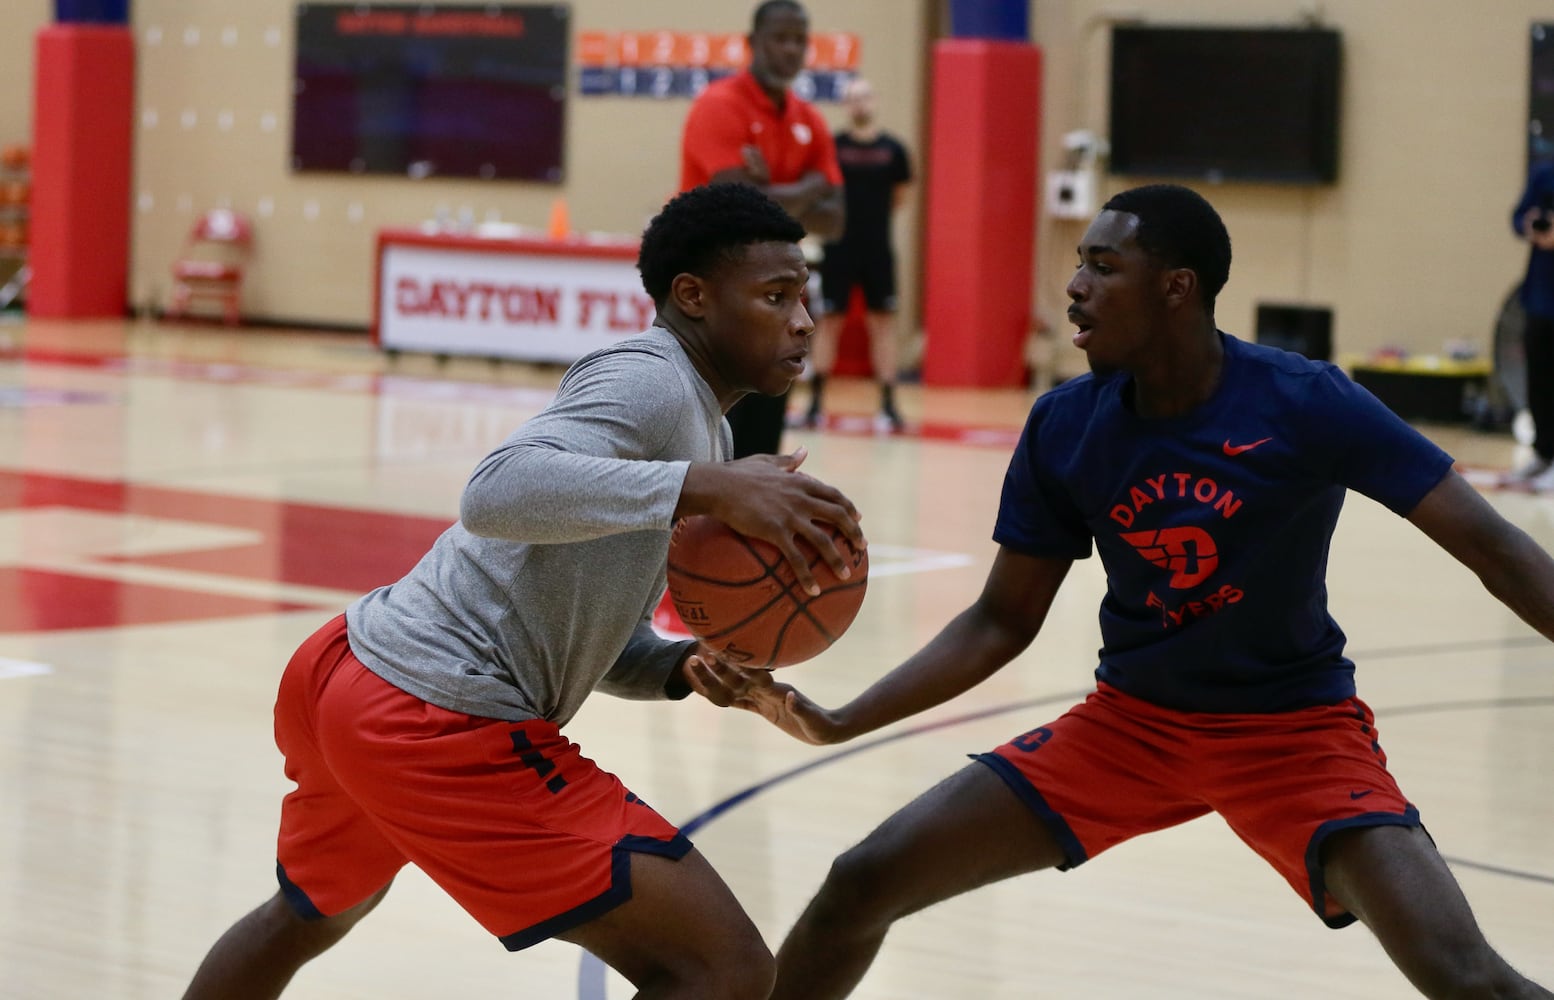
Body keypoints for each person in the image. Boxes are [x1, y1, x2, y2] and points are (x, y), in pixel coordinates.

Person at [698, 184, 1554, 999]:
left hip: (1293, 736)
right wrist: (840, 718)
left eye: (1104, 268)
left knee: (1465, 977)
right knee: (862, 882)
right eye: (1080, 263)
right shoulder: (1066, 424)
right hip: (1129, 728)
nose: (1074, 288)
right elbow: (1001, 620)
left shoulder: (1306, 402)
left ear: (1176, 289)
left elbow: (1496, 549)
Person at [179, 183, 865, 1000]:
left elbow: (568, 617)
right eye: (776, 295)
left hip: (351, 671)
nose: (802, 321)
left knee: (307, 915)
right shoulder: (650, 381)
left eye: (806, 298)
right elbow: (496, 492)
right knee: (723, 969)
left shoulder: (701, 422)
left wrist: (679, 667)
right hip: (430, 715)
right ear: (692, 296)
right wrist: (701, 488)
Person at [679, 0, 845, 458]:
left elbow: (836, 217)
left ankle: (745, 532)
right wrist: (811, 186)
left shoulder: (809, 119)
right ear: (752, 43)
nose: (791, 49)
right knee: (707, 445)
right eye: (780, 38)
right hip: (714, 299)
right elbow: (737, 205)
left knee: (761, 450)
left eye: (799, 40)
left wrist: (770, 187)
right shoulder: (719, 106)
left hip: (776, 301)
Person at [804, 77, 912, 433]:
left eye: (865, 97)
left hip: (877, 252)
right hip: (838, 248)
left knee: (883, 325)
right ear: (846, 106)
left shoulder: (894, 150)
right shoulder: (832, 147)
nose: (859, 104)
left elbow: (900, 198)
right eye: (852, 99)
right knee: (829, 322)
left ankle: (889, 404)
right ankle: (815, 404)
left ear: (875, 101)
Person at [1503, 160, 1554, 491]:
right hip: (1541, 297)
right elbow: (1518, 217)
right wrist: (1532, 225)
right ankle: (1543, 452)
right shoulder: (1544, 173)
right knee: (1540, 376)